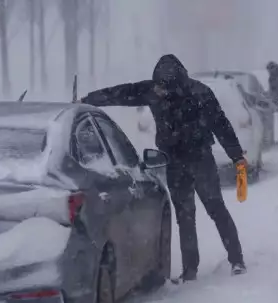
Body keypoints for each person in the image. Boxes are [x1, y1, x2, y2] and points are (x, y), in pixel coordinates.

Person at [79, 54, 247, 281]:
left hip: (201, 160)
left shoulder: (200, 93)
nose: (157, 91)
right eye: (156, 86)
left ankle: (237, 260)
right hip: (175, 162)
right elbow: (123, 93)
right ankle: (190, 270)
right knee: (184, 216)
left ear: (175, 83)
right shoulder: (153, 89)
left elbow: (221, 124)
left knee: (216, 209)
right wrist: (89, 99)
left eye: (162, 88)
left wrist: (236, 156)